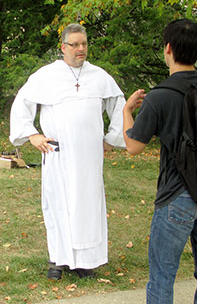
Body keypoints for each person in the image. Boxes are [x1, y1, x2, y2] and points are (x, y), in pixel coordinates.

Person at [123, 19, 197, 304]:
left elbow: (133, 146)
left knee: (162, 276)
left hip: (179, 197)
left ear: (168, 49)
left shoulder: (160, 96)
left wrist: (126, 111)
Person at [9, 23, 126, 280]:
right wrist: (33, 135)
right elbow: (22, 105)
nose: (80, 49)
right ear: (63, 47)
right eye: (75, 44)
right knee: (58, 205)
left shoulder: (99, 76)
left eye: (83, 44)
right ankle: (57, 260)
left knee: (87, 206)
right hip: (58, 154)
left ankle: (85, 261)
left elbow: (119, 105)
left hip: (89, 157)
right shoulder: (46, 76)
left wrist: (111, 139)